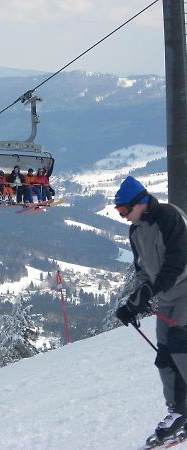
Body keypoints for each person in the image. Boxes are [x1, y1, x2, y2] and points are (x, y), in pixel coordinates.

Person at [114, 176, 187, 446]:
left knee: (181, 344)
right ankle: (178, 411)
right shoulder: (136, 231)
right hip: (167, 297)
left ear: (140, 203)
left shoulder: (168, 217)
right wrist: (135, 300)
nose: (123, 217)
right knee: (165, 357)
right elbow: (143, 270)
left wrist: (150, 291)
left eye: (124, 211)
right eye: (118, 212)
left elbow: (178, 262)